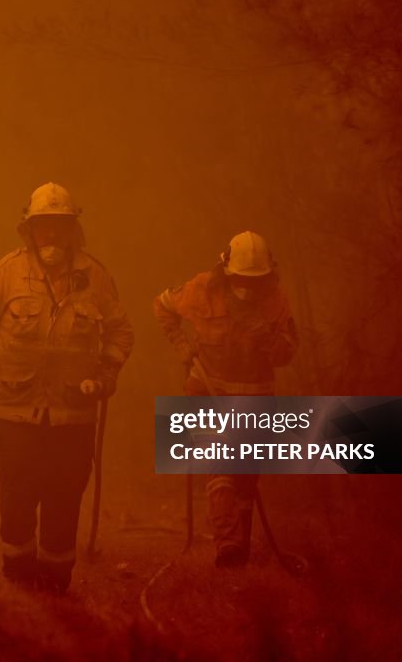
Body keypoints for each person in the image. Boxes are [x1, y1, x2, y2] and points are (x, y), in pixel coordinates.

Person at [0, 182, 134, 592]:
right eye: (42, 226)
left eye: (58, 226)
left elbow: (120, 333)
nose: (50, 235)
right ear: (28, 230)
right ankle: (17, 580)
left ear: (72, 230)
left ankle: (54, 587)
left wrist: (107, 374)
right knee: (17, 495)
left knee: (64, 498)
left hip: (74, 413)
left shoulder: (95, 277)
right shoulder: (7, 273)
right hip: (13, 408)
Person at [153, 230, 297, 568]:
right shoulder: (203, 289)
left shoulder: (275, 300)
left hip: (255, 400)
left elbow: (287, 352)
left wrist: (265, 336)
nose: (247, 287)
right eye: (240, 279)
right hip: (206, 391)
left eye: (256, 281)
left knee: (246, 479)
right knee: (218, 469)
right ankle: (228, 548)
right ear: (226, 271)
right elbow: (162, 306)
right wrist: (182, 346)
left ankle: (240, 548)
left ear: (268, 277)